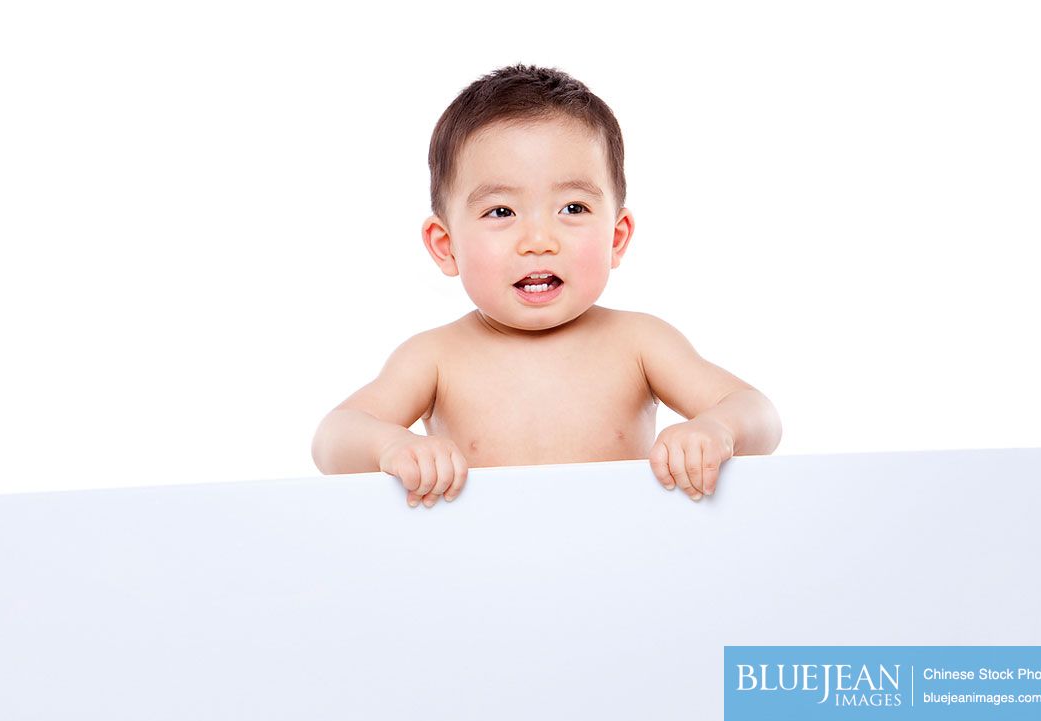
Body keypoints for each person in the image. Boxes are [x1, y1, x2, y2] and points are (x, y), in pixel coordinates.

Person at [312, 64, 781, 507]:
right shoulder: (434, 357)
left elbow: (758, 414)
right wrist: (392, 447)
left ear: (616, 238)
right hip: (481, 574)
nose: (539, 241)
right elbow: (334, 438)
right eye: (501, 212)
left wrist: (717, 429)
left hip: (621, 566)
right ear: (445, 245)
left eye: (572, 208)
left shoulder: (640, 343)